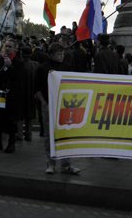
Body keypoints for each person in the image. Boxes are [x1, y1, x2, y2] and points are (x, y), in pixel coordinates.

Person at [35, 42, 80, 175]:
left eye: (63, 53)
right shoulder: (42, 68)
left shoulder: (66, 67)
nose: (62, 56)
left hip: (64, 106)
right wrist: (44, 103)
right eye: (59, 54)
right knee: (49, 135)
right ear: (51, 54)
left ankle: (66, 164)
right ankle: (51, 163)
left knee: (66, 135)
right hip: (49, 105)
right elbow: (37, 89)